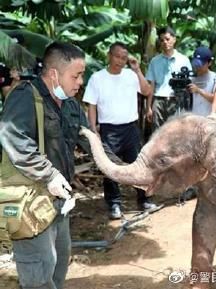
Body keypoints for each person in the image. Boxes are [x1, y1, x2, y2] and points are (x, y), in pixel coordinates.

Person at [0, 42, 117, 289]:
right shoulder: (26, 96)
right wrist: (50, 175)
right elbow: (13, 138)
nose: (80, 82)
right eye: (75, 75)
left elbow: (91, 142)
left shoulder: (72, 105)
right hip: (30, 202)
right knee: (38, 275)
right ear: (54, 74)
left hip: (58, 204)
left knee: (58, 264)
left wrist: (126, 171)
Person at [83, 42, 160, 219]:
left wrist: (137, 70)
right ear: (109, 56)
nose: (120, 60)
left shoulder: (131, 76)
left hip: (131, 128)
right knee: (111, 167)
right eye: (117, 56)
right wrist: (93, 129)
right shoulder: (97, 78)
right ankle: (114, 204)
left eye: (124, 58)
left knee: (139, 164)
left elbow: (147, 91)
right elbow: (92, 105)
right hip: (109, 129)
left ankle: (145, 200)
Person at [146, 27, 192, 128]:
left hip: (176, 100)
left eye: (167, 39)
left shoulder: (184, 60)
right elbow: (151, 85)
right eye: (162, 40)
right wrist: (149, 107)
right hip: (158, 101)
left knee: (175, 132)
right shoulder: (154, 61)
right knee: (157, 133)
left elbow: (189, 84)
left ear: (174, 39)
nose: (165, 42)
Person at [188, 46, 216, 116]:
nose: (198, 67)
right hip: (192, 119)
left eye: (201, 64)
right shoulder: (190, 78)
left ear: (209, 63)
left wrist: (198, 90)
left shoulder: (215, 78)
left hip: (207, 118)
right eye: (196, 64)